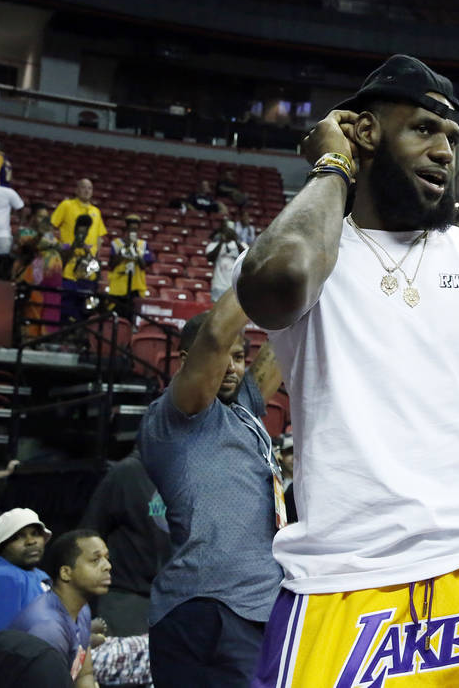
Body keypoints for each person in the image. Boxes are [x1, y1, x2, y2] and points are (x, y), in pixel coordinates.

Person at [236, 54, 459, 686]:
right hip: (343, 584)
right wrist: (333, 164)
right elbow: (274, 285)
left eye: (451, 137)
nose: (444, 152)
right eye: (423, 129)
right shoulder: (306, 253)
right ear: (365, 132)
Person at [137, 291, 285, 687]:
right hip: (205, 610)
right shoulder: (178, 416)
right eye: (225, 358)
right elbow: (217, 335)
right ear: (187, 363)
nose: (234, 367)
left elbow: (286, 338)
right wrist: (259, 273)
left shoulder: (245, 412)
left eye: (240, 357)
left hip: (259, 608)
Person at [78, 445, 172, 637]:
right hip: (128, 600)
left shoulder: (187, 474)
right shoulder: (127, 473)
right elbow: (87, 537)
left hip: (174, 601)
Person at [8, 529, 111, 687]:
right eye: (95, 560)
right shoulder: (47, 629)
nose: (107, 566)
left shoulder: (82, 609)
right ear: (65, 573)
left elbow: (84, 675)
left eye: (106, 558)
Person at [0, 507, 53, 629]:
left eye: (35, 534)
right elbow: (4, 638)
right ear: (2, 547)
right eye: (18, 537)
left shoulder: (39, 574)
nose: (31, 541)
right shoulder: (4, 577)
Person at [60, 214, 101, 325]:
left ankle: (78, 333)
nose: (82, 235)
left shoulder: (89, 248)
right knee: (66, 310)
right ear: (75, 230)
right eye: (80, 232)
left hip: (84, 283)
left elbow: (95, 268)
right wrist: (74, 247)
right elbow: (62, 262)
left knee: (83, 311)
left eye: (85, 232)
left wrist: (86, 252)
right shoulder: (66, 244)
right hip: (68, 280)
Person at [107, 214, 154, 301]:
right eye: (131, 229)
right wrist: (124, 249)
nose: (133, 232)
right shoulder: (116, 243)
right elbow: (111, 265)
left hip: (136, 287)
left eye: (135, 230)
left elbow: (143, 266)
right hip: (118, 286)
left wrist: (135, 250)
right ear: (127, 229)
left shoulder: (143, 245)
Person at [51, 178, 106, 252]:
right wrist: (59, 246)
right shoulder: (66, 205)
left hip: (88, 258)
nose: (87, 191)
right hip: (68, 255)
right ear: (76, 190)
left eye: (90, 188)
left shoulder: (96, 211)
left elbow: (99, 237)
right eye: (83, 187)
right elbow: (51, 227)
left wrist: (95, 255)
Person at [206, 219, 247, 302]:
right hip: (218, 285)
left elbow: (246, 258)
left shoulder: (241, 245)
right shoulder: (214, 245)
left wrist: (235, 240)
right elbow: (210, 258)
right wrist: (221, 242)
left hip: (235, 287)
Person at [0, 181, 23, 279]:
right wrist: (20, 225)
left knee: (3, 267)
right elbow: (21, 208)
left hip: (4, 235)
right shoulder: (10, 192)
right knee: (2, 270)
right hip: (4, 236)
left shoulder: (9, 192)